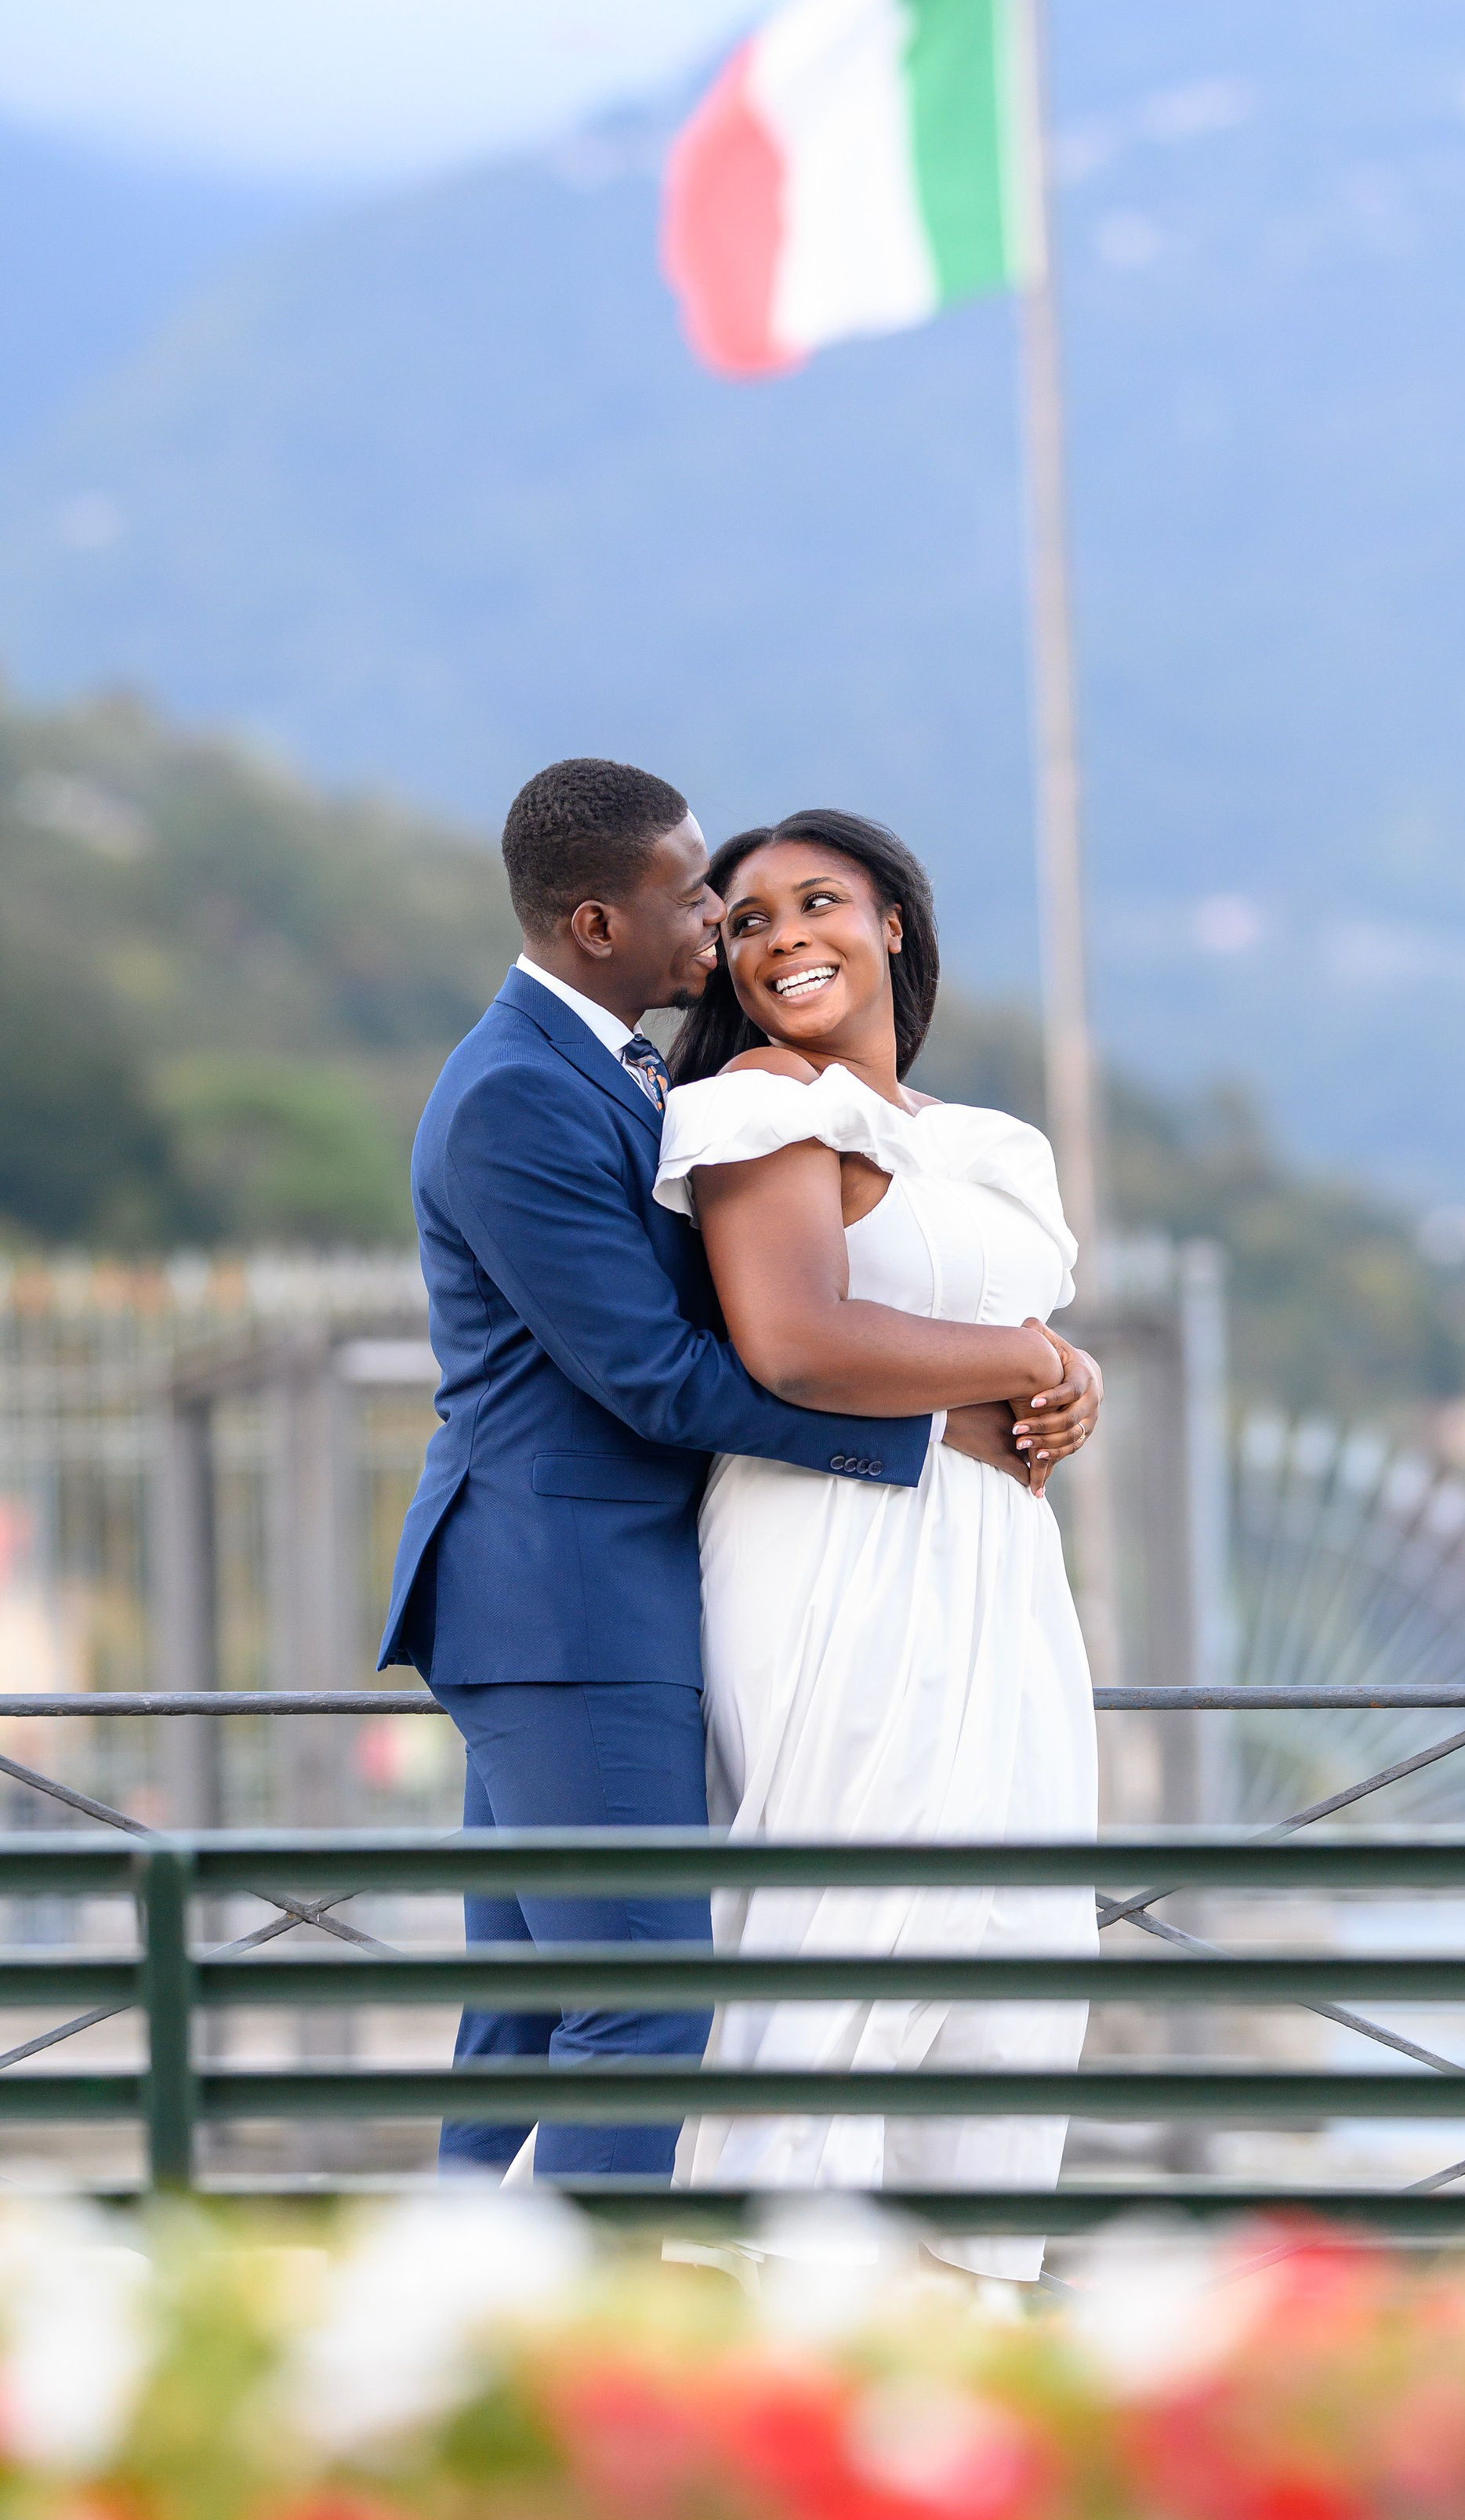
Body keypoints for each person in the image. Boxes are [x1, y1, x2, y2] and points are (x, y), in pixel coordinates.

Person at [377, 759, 1100, 2181]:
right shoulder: (521, 1093)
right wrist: (950, 1415)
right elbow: (662, 1372)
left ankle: (441, 2334)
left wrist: (1042, 1367)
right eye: (698, 890)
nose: (721, 921)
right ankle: (574, 2373)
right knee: (644, 2017)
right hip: (564, 1592)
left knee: (528, 2023)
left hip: (607, 1583)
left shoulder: (621, 1072)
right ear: (598, 925)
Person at [654, 809, 1101, 2279]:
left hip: (1002, 1566)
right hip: (837, 1545)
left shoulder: (986, 1145)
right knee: (849, 1907)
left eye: (820, 902)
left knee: (1012, 1926)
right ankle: (778, 2299)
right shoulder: (752, 1103)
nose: (785, 939)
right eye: (748, 919)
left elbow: (985, 1320)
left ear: (893, 922)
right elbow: (794, 1340)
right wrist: (1026, 1364)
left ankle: (958, 2327)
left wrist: (1052, 1368)